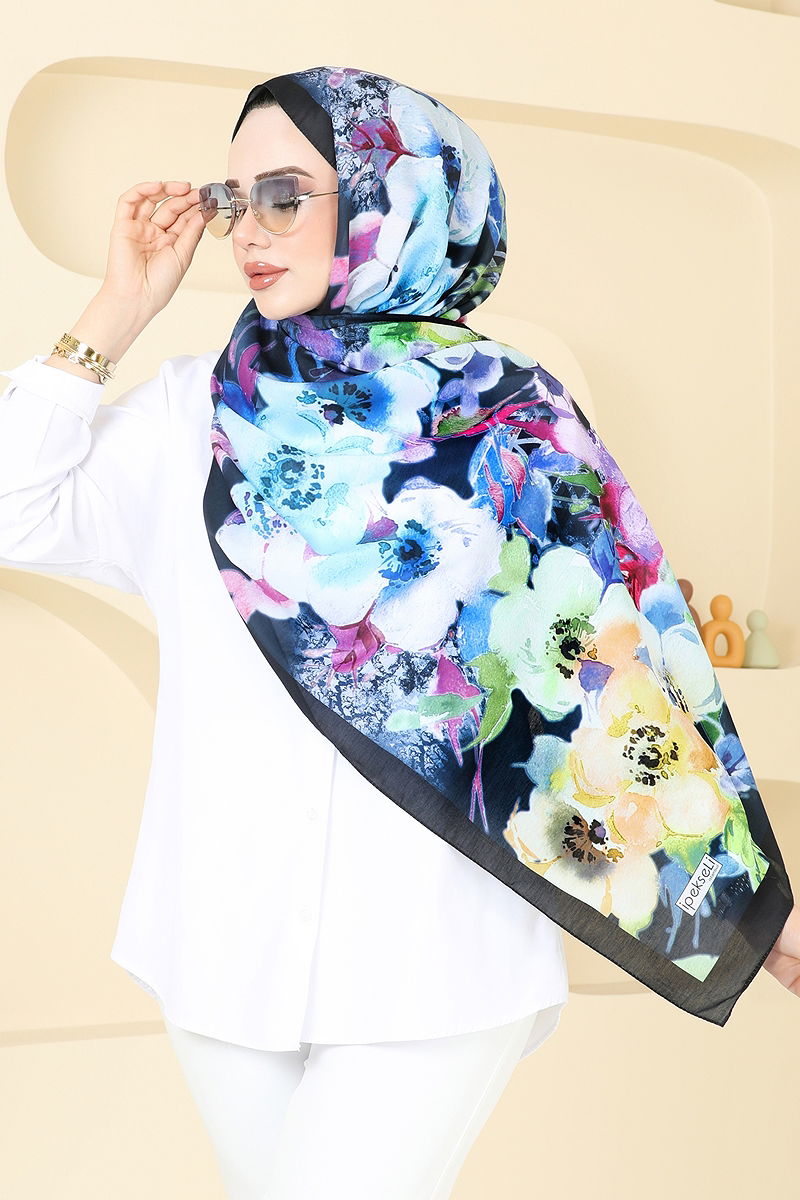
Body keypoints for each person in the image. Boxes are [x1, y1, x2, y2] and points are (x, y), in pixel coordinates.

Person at [2, 63, 798, 1200]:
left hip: (435, 962)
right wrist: (117, 309)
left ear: (396, 197)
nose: (248, 231)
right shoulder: (192, 414)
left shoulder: (509, 421)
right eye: (233, 200)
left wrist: (743, 900)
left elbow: (608, 678)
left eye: (286, 194)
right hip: (221, 947)